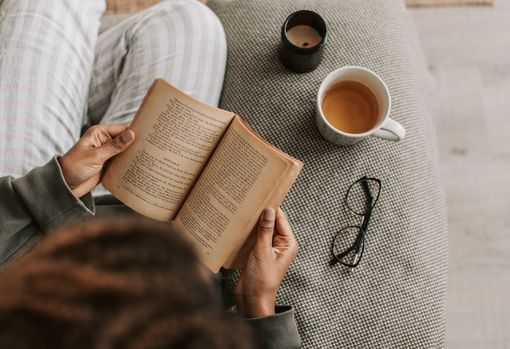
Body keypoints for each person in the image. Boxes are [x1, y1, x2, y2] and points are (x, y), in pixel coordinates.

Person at [0, 0, 301, 348]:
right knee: (190, 23)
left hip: (26, 236)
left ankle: (71, 73)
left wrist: (55, 187)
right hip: (170, 248)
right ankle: (74, 77)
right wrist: (258, 304)